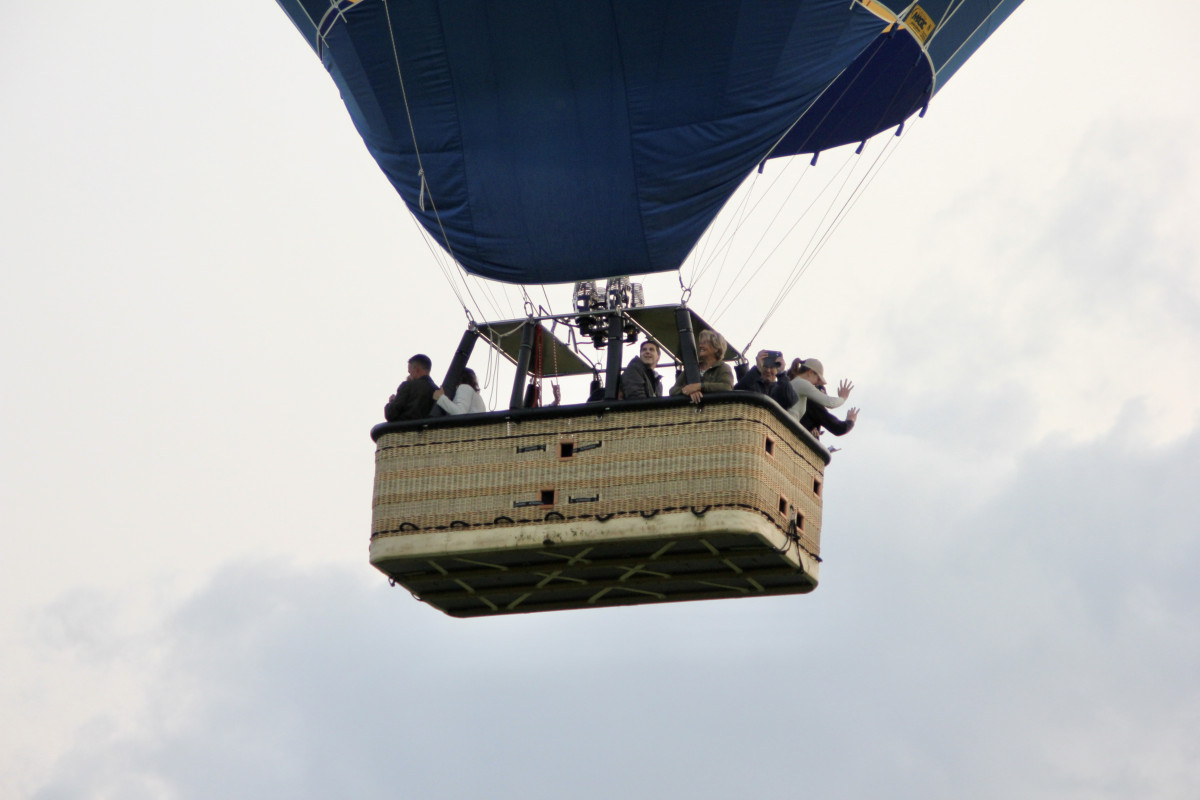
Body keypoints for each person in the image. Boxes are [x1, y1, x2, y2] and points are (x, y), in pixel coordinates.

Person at [670, 329, 734, 403]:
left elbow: (726, 387)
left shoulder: (723, 368)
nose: (700, 346)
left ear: (716, 348)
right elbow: (672, 391)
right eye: (700, 343)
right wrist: (687, 391)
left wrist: (700, 386)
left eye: (704, 343)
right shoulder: (691, 368)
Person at [786, 357, 852, 422]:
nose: (817, 384)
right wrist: (843, 397)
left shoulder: (796, 382)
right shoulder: (802, 383)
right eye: (818, 379)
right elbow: (830, 403)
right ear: (810, 372)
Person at [384, 353, 438, 421]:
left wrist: (391, 402)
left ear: (416, 370)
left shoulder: (407, 386)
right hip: (429, 427)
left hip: (406, 427)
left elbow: (391, 414)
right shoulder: (437, 391)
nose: (409, 375)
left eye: (410, 372)